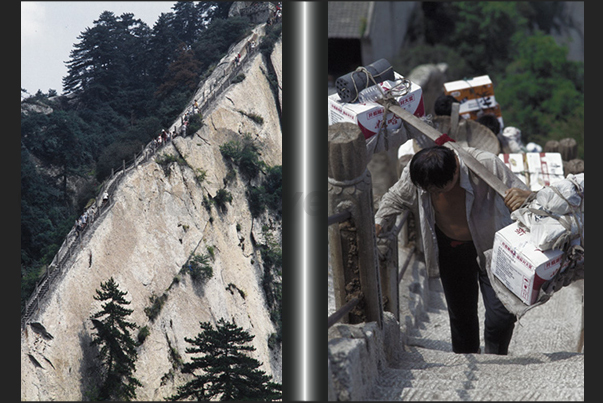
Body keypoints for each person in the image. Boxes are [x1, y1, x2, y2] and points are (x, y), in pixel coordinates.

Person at [374, 145, 532, 355]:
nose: (434, 194)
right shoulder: (419, 171)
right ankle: (467, 357)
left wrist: (526, 196)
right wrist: (379, 223)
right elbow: (396, 197)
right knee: (461, 315)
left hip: (494, 249)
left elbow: (525, 199)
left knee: (502, 313)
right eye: (430, 191)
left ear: (456, 171)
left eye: (439, 189)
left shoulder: (486, 164)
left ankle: (496, 356)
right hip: (452, 249)